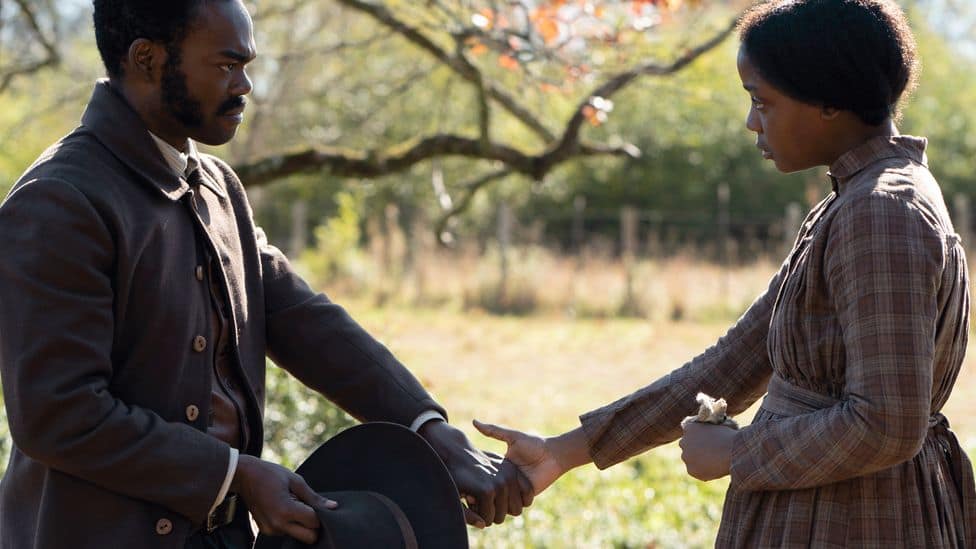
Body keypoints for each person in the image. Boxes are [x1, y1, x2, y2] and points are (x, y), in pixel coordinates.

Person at [0, 1, 529, 548]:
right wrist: (235, 475)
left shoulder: (217, 187)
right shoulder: (59, 202)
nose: (246, 84)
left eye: (247, 65)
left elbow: (301, 318)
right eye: (227, 65)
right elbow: (60, 415)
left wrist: (428, 430)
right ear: (147, 59)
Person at [475, 0, 976, 546]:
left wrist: (739, 452)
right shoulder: (851, 201)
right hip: (827, 507)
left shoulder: (882, 211)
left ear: (829, 100)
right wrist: (564, 450)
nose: (751, 121)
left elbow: (886, 424)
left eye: (763, 101)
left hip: (854, 519)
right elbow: (736, 361)